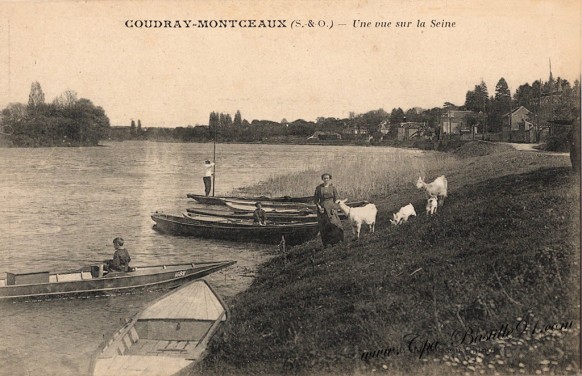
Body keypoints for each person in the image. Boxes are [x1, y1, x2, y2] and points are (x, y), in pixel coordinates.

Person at [313, 173, 344, 247]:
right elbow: (316, 200)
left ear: (329, 179)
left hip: (331, 209)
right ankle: (326, 243)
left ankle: (336, 241)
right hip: (323, 209)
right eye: (324, 178)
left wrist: (335, 208)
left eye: (327, 178)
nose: (326, 180)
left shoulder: (333, 188)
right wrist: (319, 207)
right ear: (322, 179)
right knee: (324, 226)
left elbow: (336, 199)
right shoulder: (318, 188)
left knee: (334, 224)